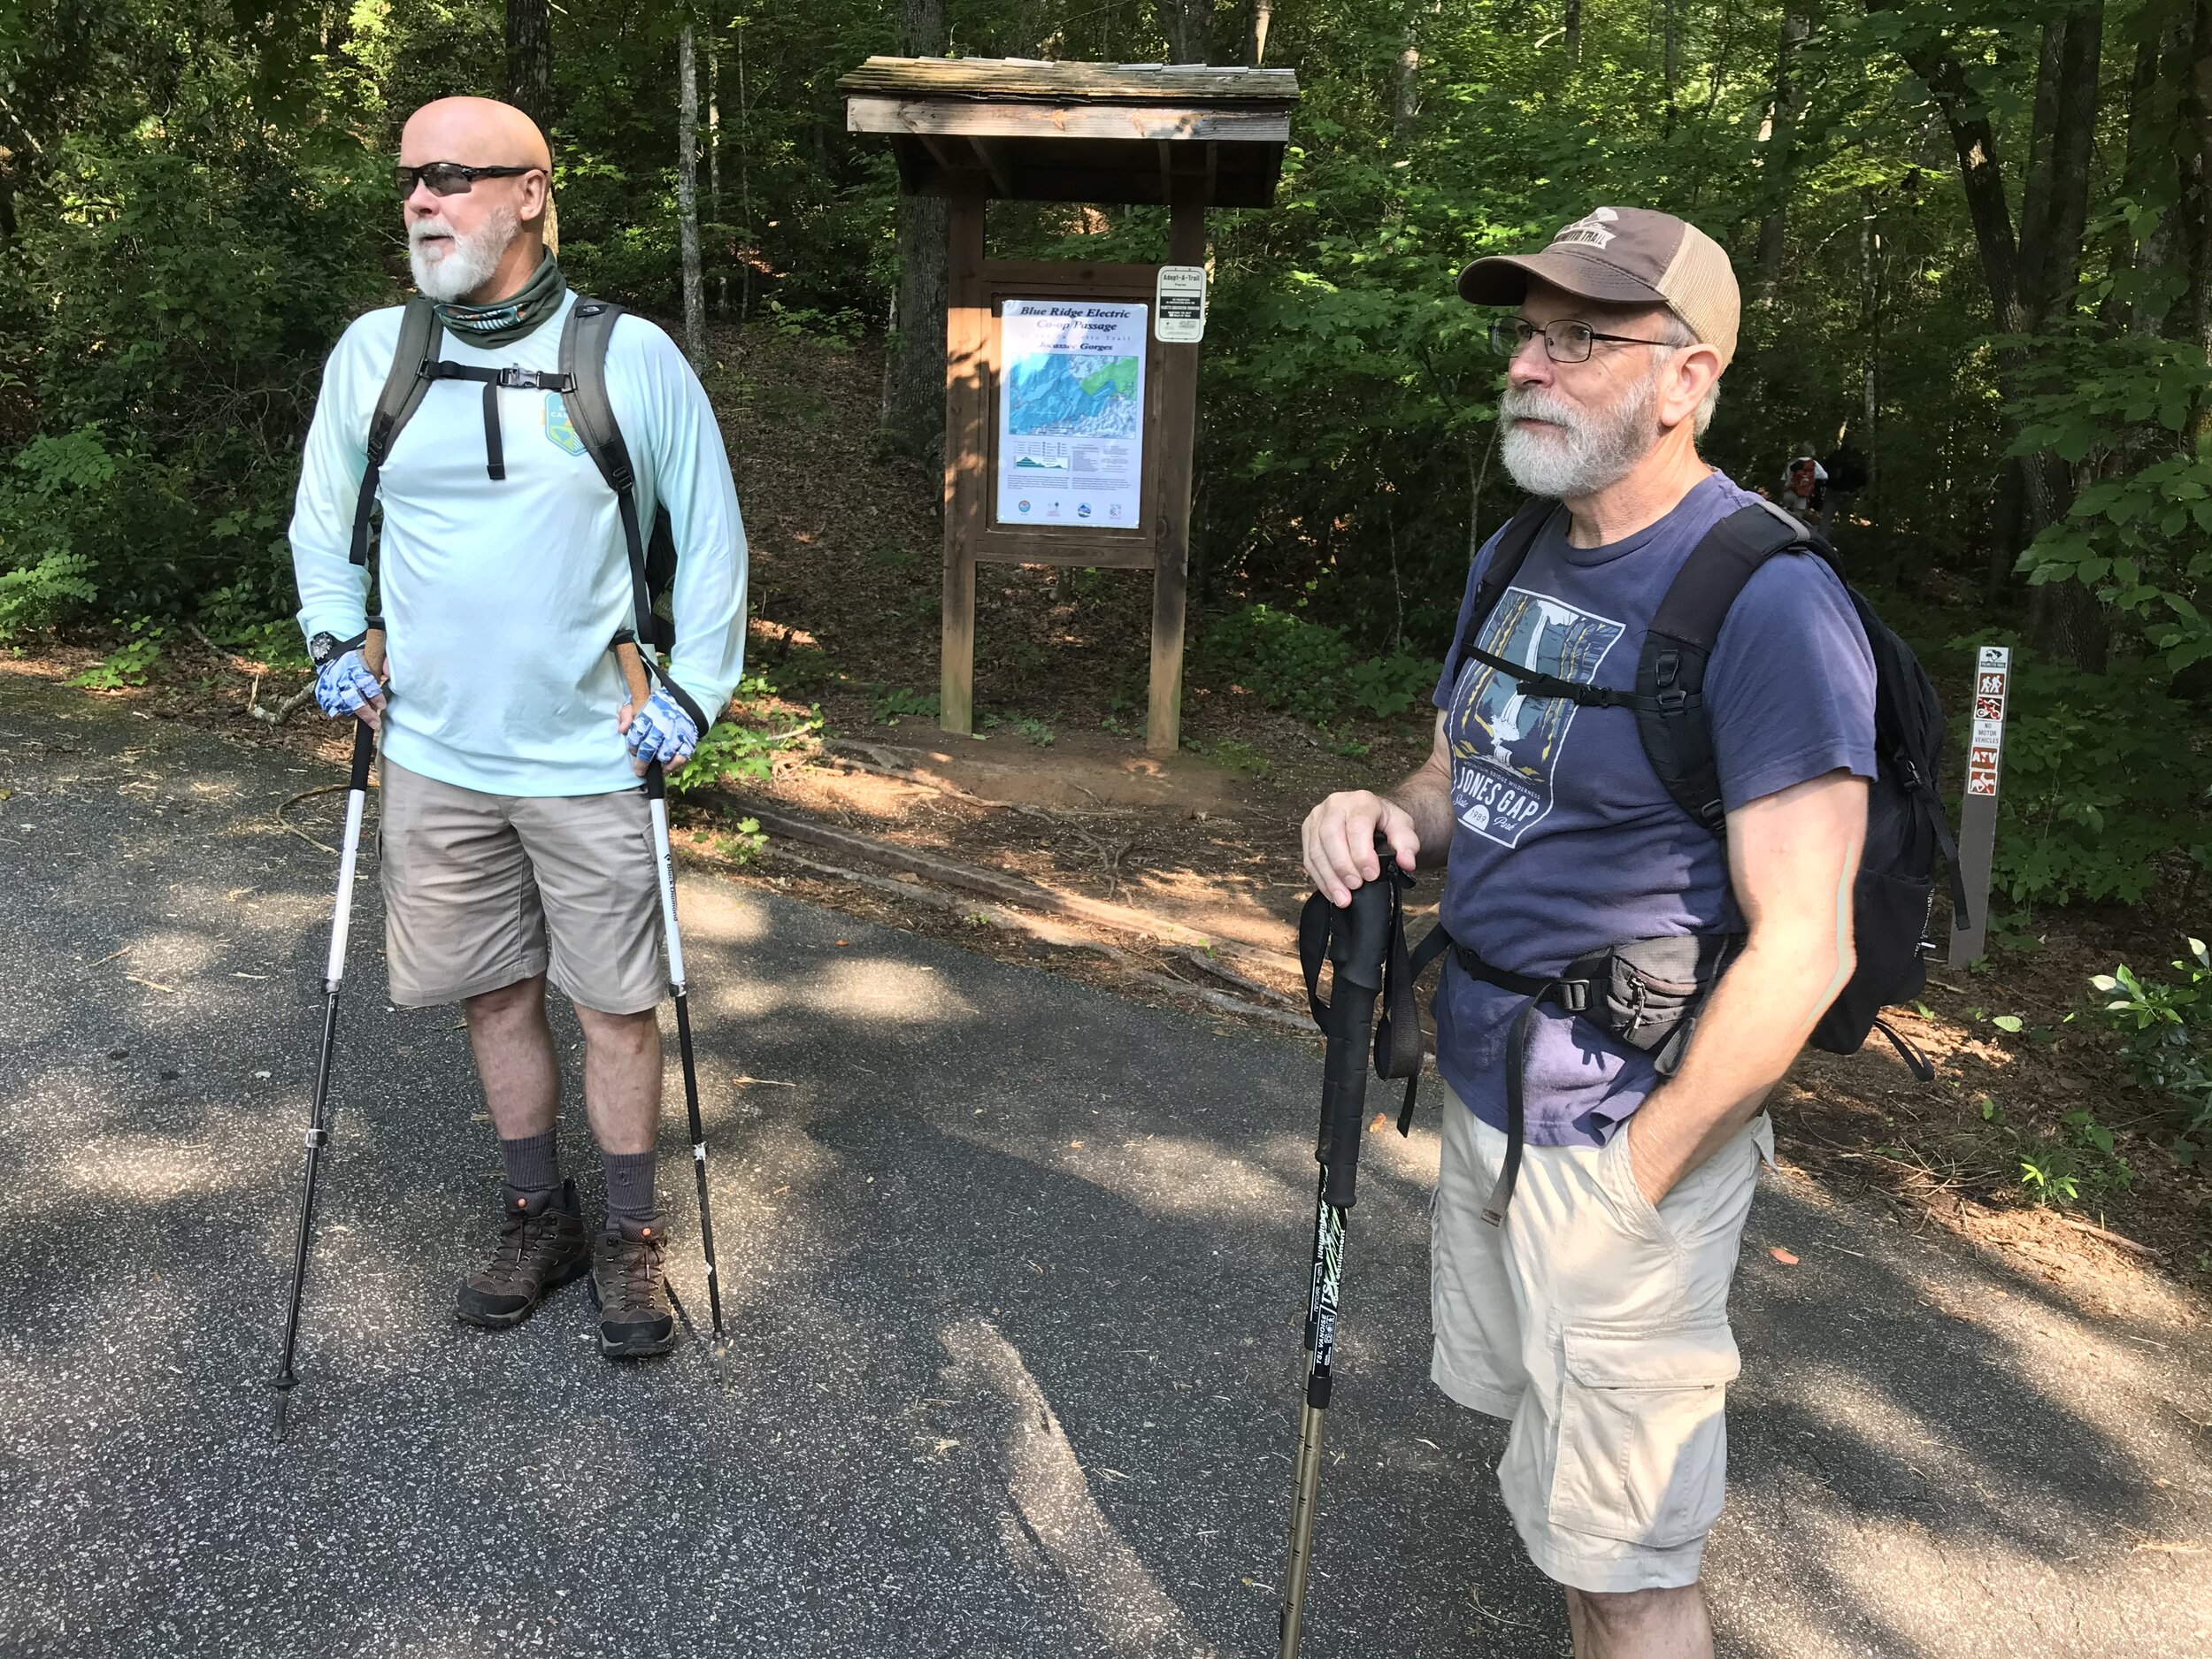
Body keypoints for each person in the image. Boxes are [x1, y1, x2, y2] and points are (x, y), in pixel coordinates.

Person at [1301, 206, 1873, 1658]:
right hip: (1490, 1099)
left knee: (1632, 1568)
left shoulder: (1768, 603)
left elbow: (1809, 945)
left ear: (1688, 379)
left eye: (1580, 339)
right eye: (1525, 334)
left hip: (1626, 1134)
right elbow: (1464, 771)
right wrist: (1384, 815)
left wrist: (1636, 1178)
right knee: (1568, 1515)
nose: (1532, 367)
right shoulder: (1518, 556)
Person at [289, 97, 749, 1359]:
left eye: (450, 178)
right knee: (494, 997)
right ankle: (538, 1212)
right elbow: (323, 526)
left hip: (594, 755)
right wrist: (335, 640)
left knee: (614, 1006)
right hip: (434, 756)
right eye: (407, 181)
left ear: (533, 192)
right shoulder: (377, 354)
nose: (421, 202)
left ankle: (633, 1237)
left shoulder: (629, 355)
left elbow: (709, 543)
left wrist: (694, 692)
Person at [1779, 453, 1827, 528]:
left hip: (1790, 492)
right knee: (1798, 520)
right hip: (1803, 495)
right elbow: (1825, 476)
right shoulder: (1814, 464)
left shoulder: (1792, 462)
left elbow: (1784, 479)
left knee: (1785, 515)